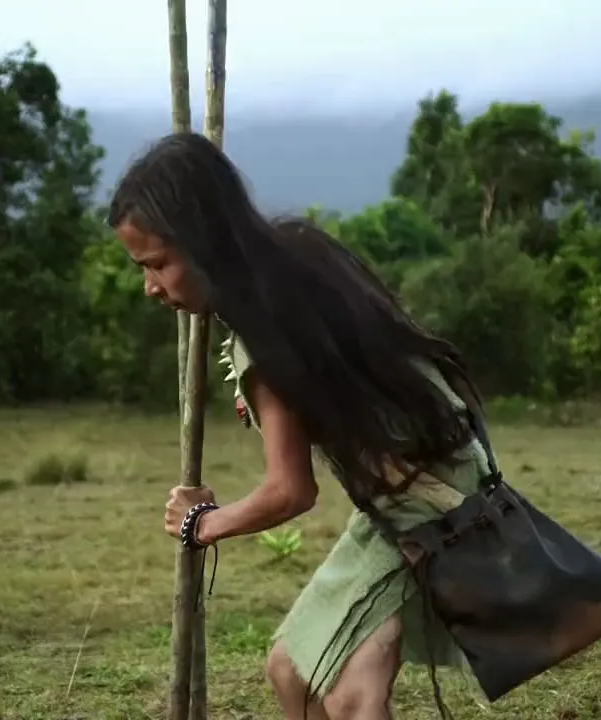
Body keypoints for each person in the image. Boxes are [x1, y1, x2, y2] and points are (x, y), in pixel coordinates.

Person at [107, 132, 493, 720]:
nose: (151, 288)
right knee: (294, 669)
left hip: (429, 499)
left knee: (343, 689)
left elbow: (290, 491)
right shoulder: (299, 252)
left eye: (158, 265)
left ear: (204, 241)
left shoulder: (266, 329)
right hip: (430, 475)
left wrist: (199, 524)